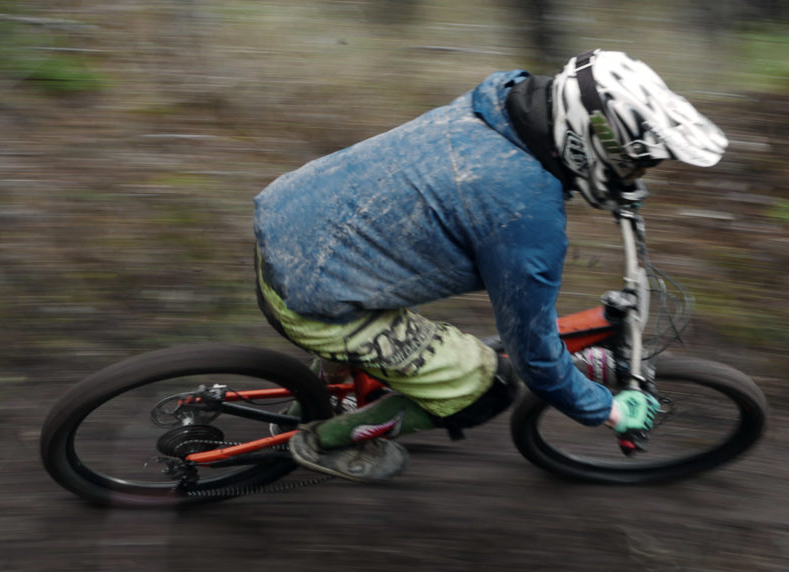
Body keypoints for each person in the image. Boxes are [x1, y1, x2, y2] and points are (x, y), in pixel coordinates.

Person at [253, 49, 728, 482]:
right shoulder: (524, 218)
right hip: (312, 295)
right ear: (593, 141)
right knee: (486, 385)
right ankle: (326, 444)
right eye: (633, 164)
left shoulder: (501, 101)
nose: (635, 176)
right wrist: (607, 412)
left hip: (290, 217)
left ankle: (332, 383)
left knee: (417, 320)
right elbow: (536, 361)